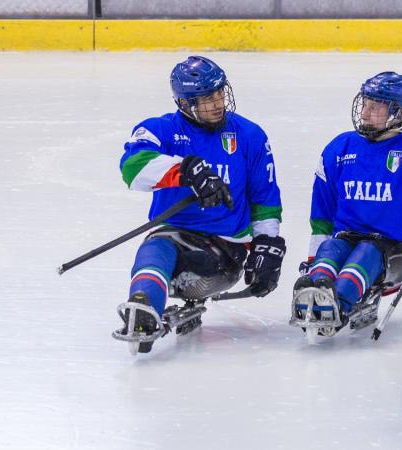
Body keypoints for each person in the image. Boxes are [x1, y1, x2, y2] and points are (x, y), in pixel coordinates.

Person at [116, 56, 285, 353]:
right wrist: (184, 172)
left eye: (220, 92)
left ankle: (156, 297)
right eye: (208, 98)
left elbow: (265, 199)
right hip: (174, 234)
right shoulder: (161, 129)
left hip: (224, 249)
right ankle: (142, 308)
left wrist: (266, 245)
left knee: (167, 250)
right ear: (185, 103)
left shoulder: (249, 135)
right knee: (155, 248)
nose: (218, 102)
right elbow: (131, 168)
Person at [290, 71, 402, 337]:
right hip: (348, 239)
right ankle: (315, 289)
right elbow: (323, 213)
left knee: (368, 253)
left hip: (397, 250)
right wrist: (314, 260)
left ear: (398, 112)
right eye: (365, 104)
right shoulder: (340, 148)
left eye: (375, 107)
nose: (365, 113)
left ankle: (337, 304)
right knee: (331, 247)